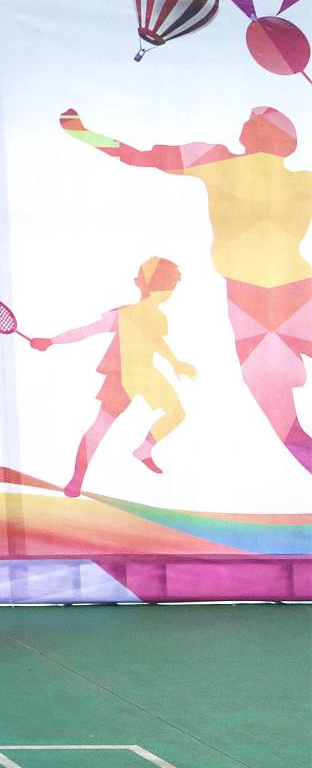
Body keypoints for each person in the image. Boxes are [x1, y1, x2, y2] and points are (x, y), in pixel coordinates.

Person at [62, 106, 312, 472]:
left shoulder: (216, 160)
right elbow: (137, 156)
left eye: (251, 122)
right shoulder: (302, 181)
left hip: (256, 305)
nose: (245, 124)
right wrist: (82, 132)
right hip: (290, 296)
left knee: (284, 423)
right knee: (283, 420)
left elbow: (135, 156)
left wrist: (82, 132)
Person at [29, 258, 197, 497]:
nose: (167, 291)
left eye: (169, 286)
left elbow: (157, 342)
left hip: (146, 374)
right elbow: (86, 331)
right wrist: (51, 341)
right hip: (122, 376)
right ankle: (77, 478)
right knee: (100, 428)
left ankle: (143, 450)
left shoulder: (159, 318)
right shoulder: (123, 314)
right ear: (143, 284)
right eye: (163, 284)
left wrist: (175, 363)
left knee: (176, 413)